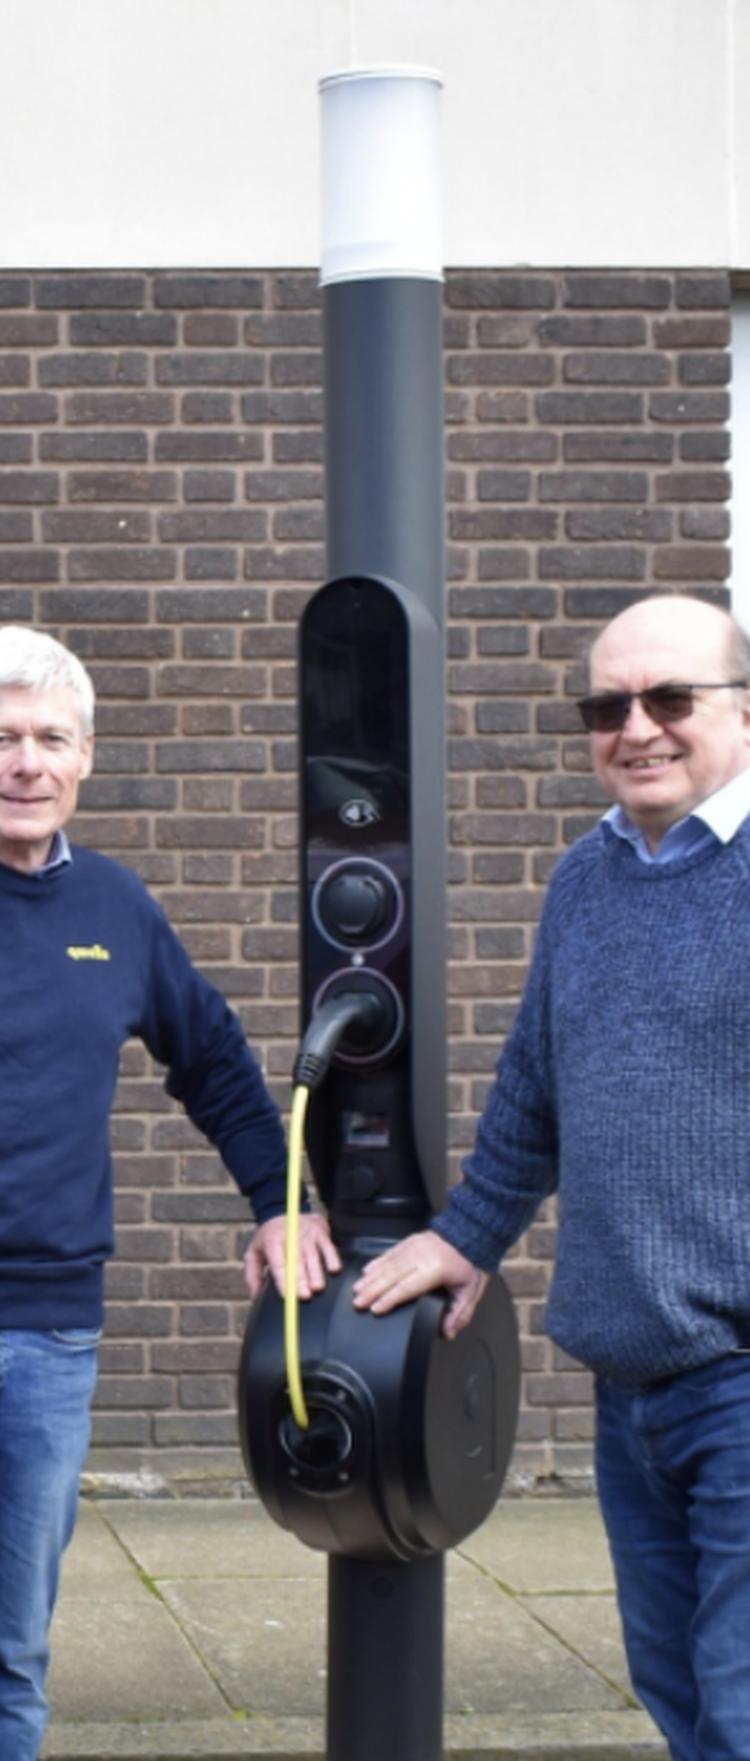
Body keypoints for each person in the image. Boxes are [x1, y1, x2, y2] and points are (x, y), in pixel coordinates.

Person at [0, 625, 338, 1761]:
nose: (24, 764)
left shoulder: (116, 911)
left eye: (49, 739)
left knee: (10, 1641)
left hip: (50, 1335)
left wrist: (278, 1200)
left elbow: (219, 1065)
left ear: (84, 756)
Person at [355, 592, 750, 1760]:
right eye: (606, 704)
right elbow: (533, 1085)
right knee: (677, 1693)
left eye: (669, 698)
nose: (636, 727)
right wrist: (465, 1236)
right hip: (631, 1382)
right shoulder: (584, 879)